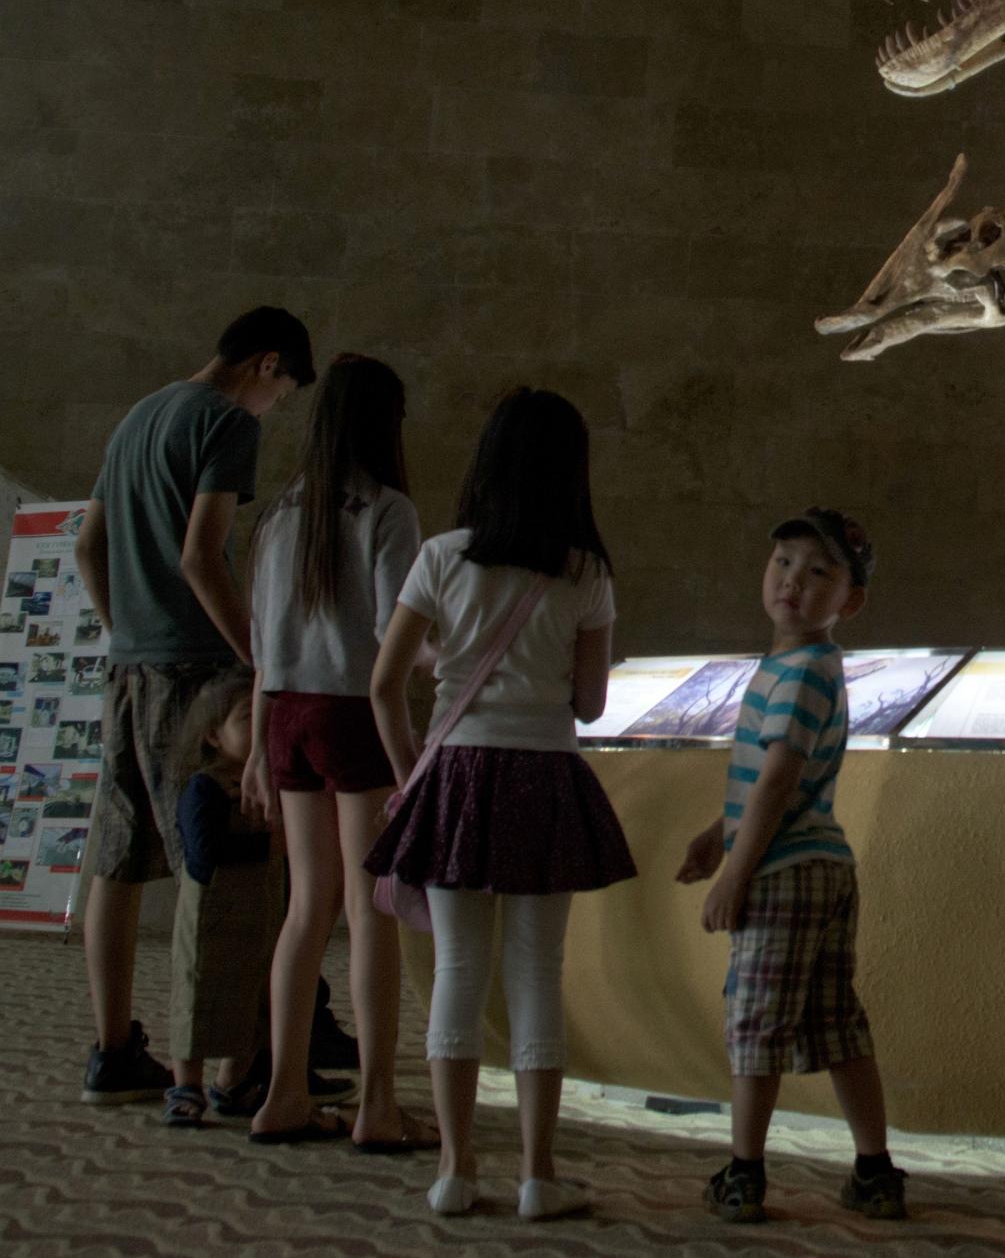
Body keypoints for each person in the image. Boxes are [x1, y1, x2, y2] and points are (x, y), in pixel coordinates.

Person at [364, 387, 635, 1221]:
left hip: (456, 774)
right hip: (544, 774)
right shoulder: (586, 570)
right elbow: (589, 702)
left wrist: (413, 773)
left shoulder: (442, 555)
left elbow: (384, 685)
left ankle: (455, 1166)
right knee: (535, 976)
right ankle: (537, 1173)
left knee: (456, 970)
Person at [75, 306, 314, 1109]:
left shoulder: (138, 415)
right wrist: (257, 654)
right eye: (281, 392)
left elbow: (87, 545)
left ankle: (114, 1049)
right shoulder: (222, 421)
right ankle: (228, 1062)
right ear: (267, 364)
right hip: (196, 673)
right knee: (219, 866)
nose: (273, 408)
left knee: (117, 856)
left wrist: (124, 632)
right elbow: (201, 552)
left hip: (128, 670)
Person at [677, 507, 905, 1224]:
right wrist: (720, 832)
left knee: (755, 1023)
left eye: (819, 571)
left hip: (784, 871)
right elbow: (773, 780)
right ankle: (875, 1171)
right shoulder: (794, 665)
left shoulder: (804, 668)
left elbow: (779, 779)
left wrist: (736, 872)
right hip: (820, 864)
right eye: (783, 561)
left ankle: (744, 1172)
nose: (793, 581)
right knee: (835, 1022)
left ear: (850, 601)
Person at [243, 355, 431, 1150]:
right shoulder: (386, 509)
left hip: (285, 712)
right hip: (355, 714)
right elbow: (398, 636)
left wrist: (256, 746)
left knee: (305, 906)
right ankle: (378, 1105)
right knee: (369, 908)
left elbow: (263, 643)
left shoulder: (281, 511)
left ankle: (283, 1091)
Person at [166, 676, 285, 1125]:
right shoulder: (205, 787)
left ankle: (231, 1082)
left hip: (259, 910)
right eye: (245, 720)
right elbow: (205, 851)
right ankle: (186, 1085)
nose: (260, 730)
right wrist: (268, 849)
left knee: (253, 998)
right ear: (213, 735)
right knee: (198, 996)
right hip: (210, 914)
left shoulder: (268, 783)